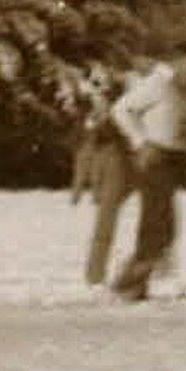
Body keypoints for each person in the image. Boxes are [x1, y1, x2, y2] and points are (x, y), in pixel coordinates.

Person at [106, 52, 186, 299]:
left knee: (163, 224)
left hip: (168, 158)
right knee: (157, 223)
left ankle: (136, 283)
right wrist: (140, 141)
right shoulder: (156, 84)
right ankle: (127, 283)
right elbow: (120, 110)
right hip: (154, 157)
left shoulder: (174, 87)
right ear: (178, 60)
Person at [73, 107, 136, 288]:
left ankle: (95, 275)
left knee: (103, 232)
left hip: (115, 186)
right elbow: (82, 163)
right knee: (103, 232)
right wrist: (77, 190)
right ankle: (95, 274)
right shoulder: (94, 145)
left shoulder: (115, 148)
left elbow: (83, 163)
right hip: (110, 187)